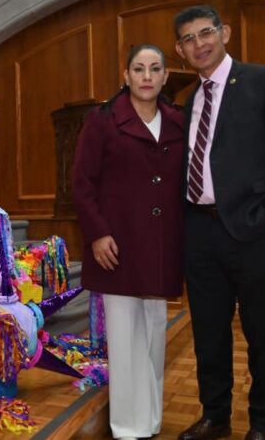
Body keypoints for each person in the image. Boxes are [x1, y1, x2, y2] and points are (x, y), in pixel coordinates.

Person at [173, 5, 265, 440]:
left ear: (225, 32)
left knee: (262, 334)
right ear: (180, 50)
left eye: (206, 32)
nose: (199, 43)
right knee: (209, 334)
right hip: (200, 232)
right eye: (189, 38)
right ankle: (215, 417)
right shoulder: (190, 100)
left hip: (253, 231)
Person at [72, 44, 185, 440]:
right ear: (126, 75)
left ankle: (150, 420)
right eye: (139, 68)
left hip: (161, 246)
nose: (147, 76)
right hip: (116, 246)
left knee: (154, 334)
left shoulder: (178, 121)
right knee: (124, 339)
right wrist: (97, 233)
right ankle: (126, 427)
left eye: (155, 68)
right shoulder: (101, 120)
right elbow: (82, 184)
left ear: (166, 76)